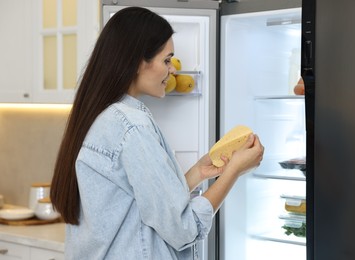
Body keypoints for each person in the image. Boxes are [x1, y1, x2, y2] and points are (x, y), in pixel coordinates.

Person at [50, 6, 264, 260]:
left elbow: (140, 203)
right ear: (138, 62)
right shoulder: (132, 126)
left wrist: (198, 173)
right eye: (166, 60)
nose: (172, 70)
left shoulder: (99, 115)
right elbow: (183, 229)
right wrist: (233, 172)